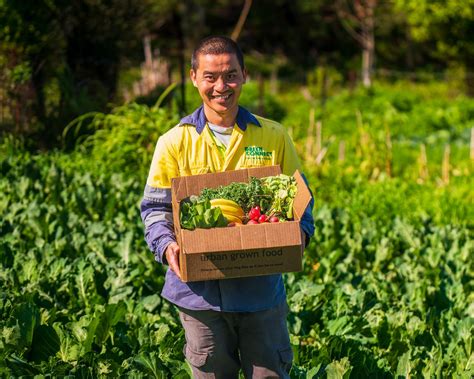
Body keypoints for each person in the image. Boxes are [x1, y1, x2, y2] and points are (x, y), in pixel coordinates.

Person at [141, 36, 314, 378]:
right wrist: (167, 245)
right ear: (194, 78)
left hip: (261, 291)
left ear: (244, 75)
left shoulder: (273, 135)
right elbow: (156, 209)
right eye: (210, 77)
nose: (221, 86)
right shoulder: (174, 142)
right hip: (199, 296)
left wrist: (300, 235)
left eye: (230, 75)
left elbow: (300, 202)